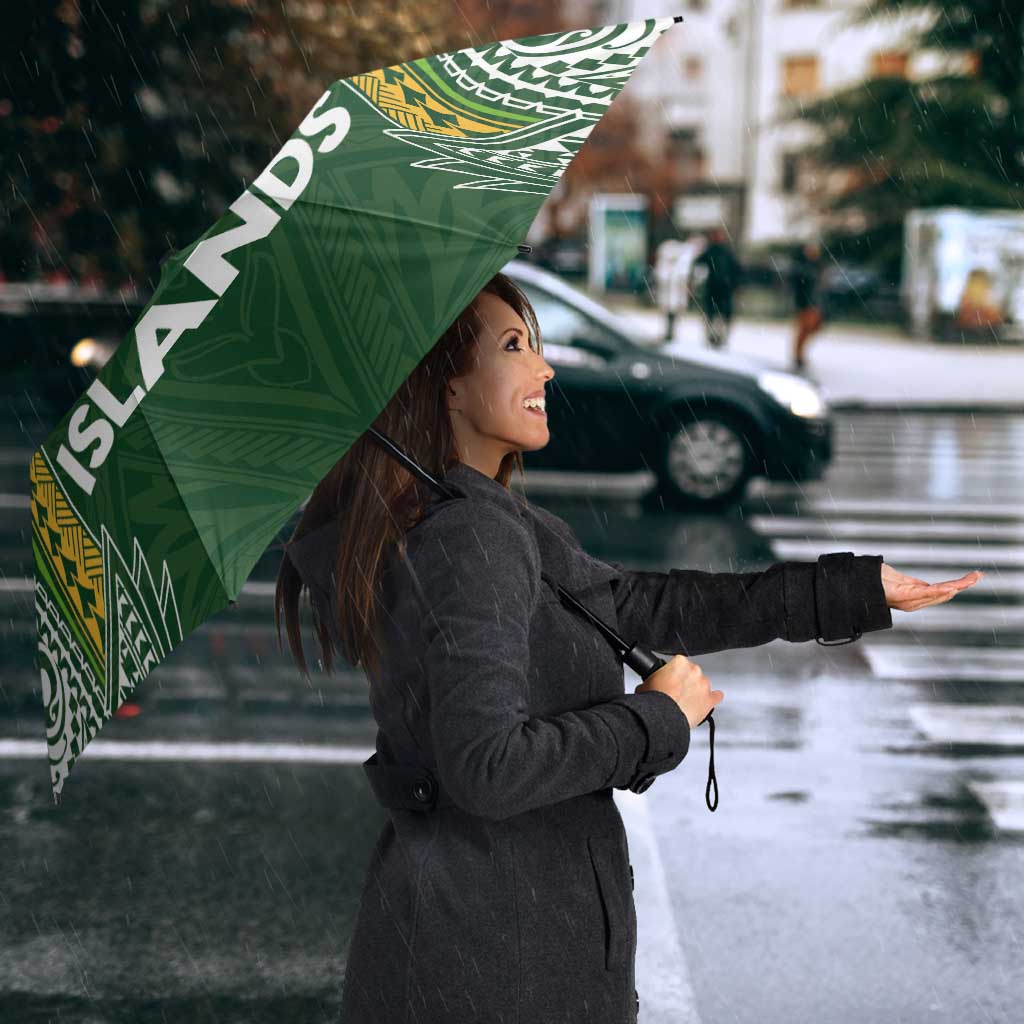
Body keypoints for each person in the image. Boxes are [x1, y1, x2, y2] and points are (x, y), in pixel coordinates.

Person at [276, 272, 979, 1024]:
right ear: (446, 386)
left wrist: (848, 591)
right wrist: (656, 719)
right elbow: (488, 767)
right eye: (514, 347)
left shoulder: (470, 518)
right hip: (501, 962)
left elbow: (638, 606)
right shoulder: (471, 536)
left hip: (475, 940)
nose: (545, 368)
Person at [692, 226, 742, 349]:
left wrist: (735, 284)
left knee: (719, 315)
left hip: (722, 289)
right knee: (714, 314)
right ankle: (713, 337)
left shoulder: (724, 252)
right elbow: (698, 263)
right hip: (716, 288)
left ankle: (719, 337)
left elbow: (736, 270)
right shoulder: (714, 251)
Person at [790, 239, 826, 370]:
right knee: (804, 329)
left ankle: (799, 354)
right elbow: (799, 286)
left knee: (812, 327)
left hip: (814, 303)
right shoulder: (802, 267)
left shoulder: (816, 266)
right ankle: (798, 355)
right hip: (805, 303)